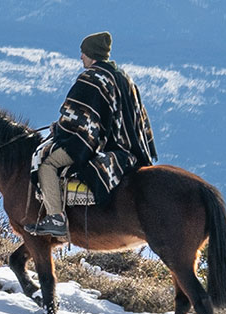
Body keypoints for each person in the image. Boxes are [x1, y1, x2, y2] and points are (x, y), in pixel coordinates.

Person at [24, 31, 156, 239]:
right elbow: (139, 119)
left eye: (83, 53)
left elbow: (79, 121)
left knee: (47, 164)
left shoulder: (91, 79)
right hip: (129, 149)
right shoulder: (124, 77)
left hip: (103, 147)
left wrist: (58, 129)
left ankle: (56, 218)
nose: (81, 57)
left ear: (91, 54)